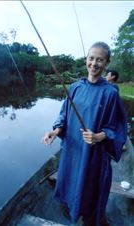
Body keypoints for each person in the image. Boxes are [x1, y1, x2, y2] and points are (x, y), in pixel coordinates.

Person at [41, 42, 127, 226]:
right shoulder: (75, 87)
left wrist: (100, 136)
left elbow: (117, 128)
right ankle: (72, 214)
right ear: (86, 59)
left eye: (100, 60)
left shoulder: (110, 93)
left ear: (106, 63)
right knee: (69, 186)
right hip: (73, 152)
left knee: (91, 192)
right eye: (91, 58)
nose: (94, 63)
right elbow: (64, 115)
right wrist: (55, 131)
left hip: (94, 155)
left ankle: (93, 220)